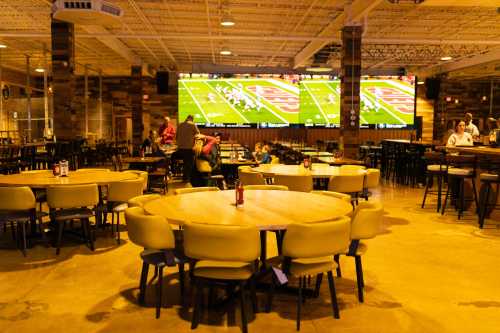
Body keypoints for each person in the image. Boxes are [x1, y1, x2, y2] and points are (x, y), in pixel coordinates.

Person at [176, 115, 200, 182]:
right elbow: (198, 135)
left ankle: (185, 177)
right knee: (189, 164)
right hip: (189, 148)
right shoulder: (192, 125)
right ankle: (187, 178)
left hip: (180, 149)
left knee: (185, 163)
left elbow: (176, 136)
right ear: (192, 119)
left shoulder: (180, 125)